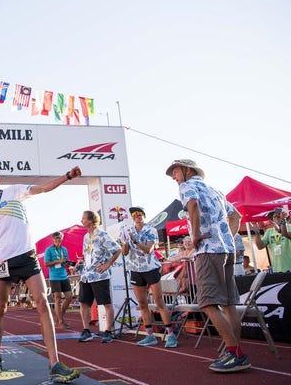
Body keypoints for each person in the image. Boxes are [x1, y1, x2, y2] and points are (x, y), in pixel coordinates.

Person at [0, 167, 81, 384]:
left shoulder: (14, 191)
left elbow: (43, 188)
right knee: (0, 308)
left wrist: (67, 176)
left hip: (27, 257)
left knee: (42, 303)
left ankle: (55, 364)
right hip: (3, 261)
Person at [166, 158, 250, 372]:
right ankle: (234, 351)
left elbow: (192, 205)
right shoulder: (215, 190)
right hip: (227, 250)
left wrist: (194, 235)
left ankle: (234, 353)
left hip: (207, 251)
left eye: (174, 172)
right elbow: (235, 216)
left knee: (208, 303)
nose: (173, 177)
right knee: (229, 304)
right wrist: (227, 238)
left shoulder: (187, 186)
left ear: (187, 170)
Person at [120, 206, 178, 349]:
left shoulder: (151, 230)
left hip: (150, 269)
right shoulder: (128, 230)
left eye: (140, 214)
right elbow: (125, 253)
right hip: (135, 270)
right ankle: (150, 335)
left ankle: (171, 335)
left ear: (144, 216)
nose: (137, 217)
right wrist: (126, 242)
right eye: (134, 215)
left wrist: (134, 240)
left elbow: (148, 250)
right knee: (142, 303)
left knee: (159, 302)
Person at [77, 210, 121, 344]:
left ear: (90, 220)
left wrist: (108, 264)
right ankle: (86, 330)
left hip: (99, 275)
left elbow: (117, 249)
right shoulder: (85, 237)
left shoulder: (102, 235)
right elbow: (87, 254)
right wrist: (80, 264)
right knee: (83, 303)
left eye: (83, 218)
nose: (81, 221)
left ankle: (108, 331)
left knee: (106, 304)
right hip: (86, 275)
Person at [253, 208, 291, 273]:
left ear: (284, 217)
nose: (277, 218)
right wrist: (257, 234)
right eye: (275, 217)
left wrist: (282, 224)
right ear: (273, 220)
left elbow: (286, 234)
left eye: (279, 216)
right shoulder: (269, 231)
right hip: (277, 269)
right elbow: (260, 246)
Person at [44, 231, 74, 329]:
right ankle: (61, 321)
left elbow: (65, 262)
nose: (59, 239)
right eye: (57, 237)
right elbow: (46, 263)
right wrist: (59, 261)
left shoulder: (64, 249)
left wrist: (67, 263)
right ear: (53, 239)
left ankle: (59, 317)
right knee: (57, 298)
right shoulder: (49, 250)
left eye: (60, 237)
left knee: (69, 297)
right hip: (54, 276)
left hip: (64, 275)